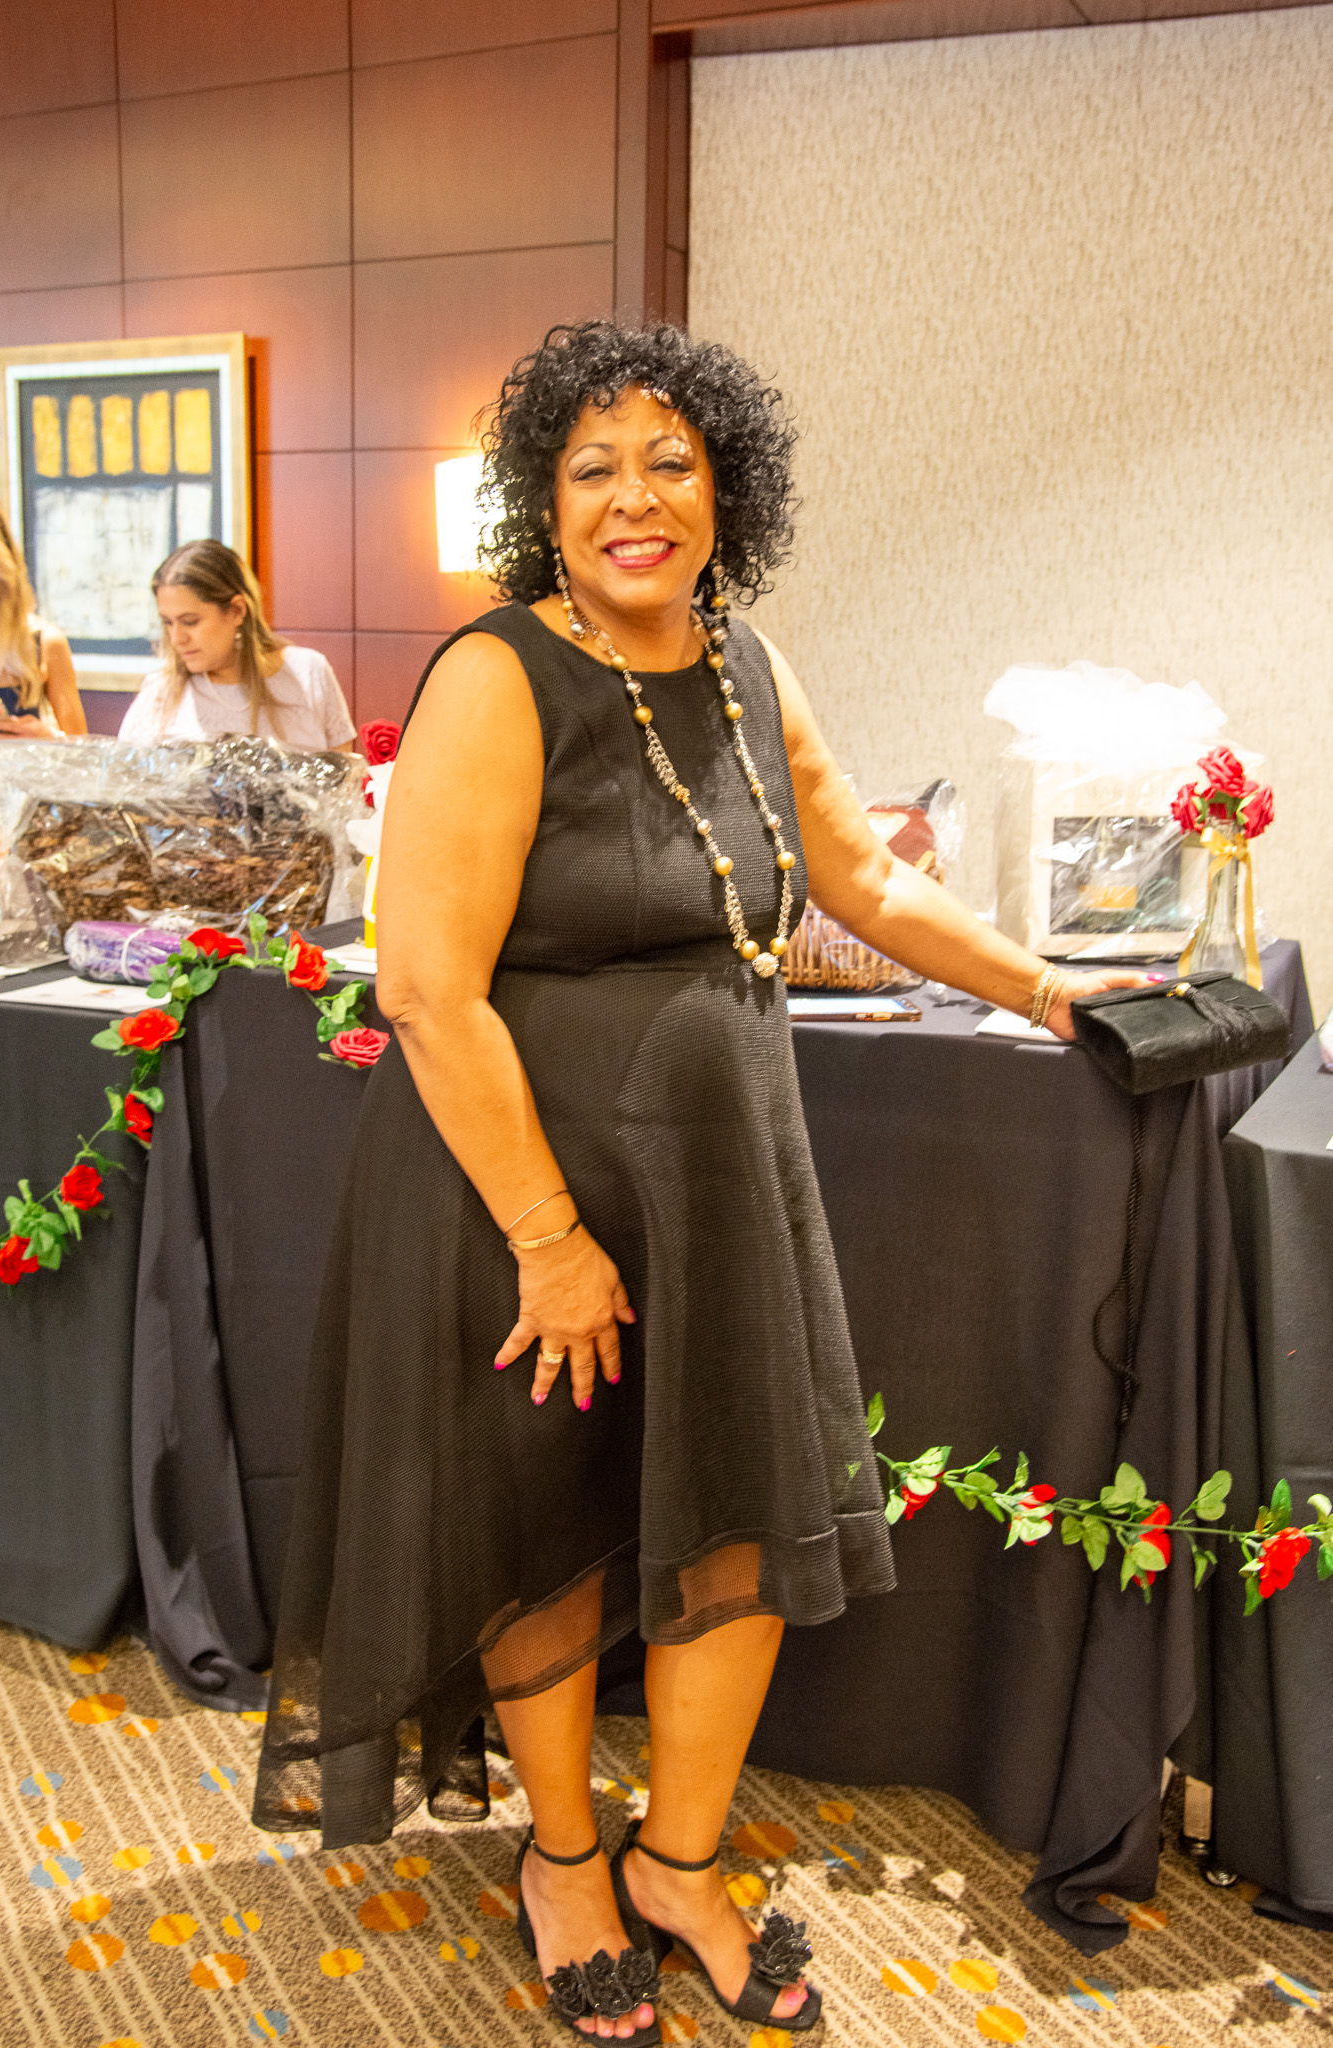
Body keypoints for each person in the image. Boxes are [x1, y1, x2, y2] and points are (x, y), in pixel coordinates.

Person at [253, 322, 1143, 2044]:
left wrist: (1042, 986)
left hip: (722, 1185)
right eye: (591, 469)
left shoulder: (745, 663)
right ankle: (562, 1862)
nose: (634, 499)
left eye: (668, 462)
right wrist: (546, 1237)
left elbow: (862, 873)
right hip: (523, 1187)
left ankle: (676, 1859)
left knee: (736, 1516)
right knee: (544, 1527)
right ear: (543, 504)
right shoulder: (496, 674)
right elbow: (424, 986)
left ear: (726, 489)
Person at [118, 539, 353, 752]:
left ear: (236, 611)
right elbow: (124, 779)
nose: (177, 639)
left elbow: (347, 778)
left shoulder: (309, 672)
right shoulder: (160, 693)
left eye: (190, 621)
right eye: (168, 623)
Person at [0, 483, 85, 741]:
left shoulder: (45, 641)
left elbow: (82, 750)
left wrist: (47, 738)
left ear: (1, 562)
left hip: (27, 769)